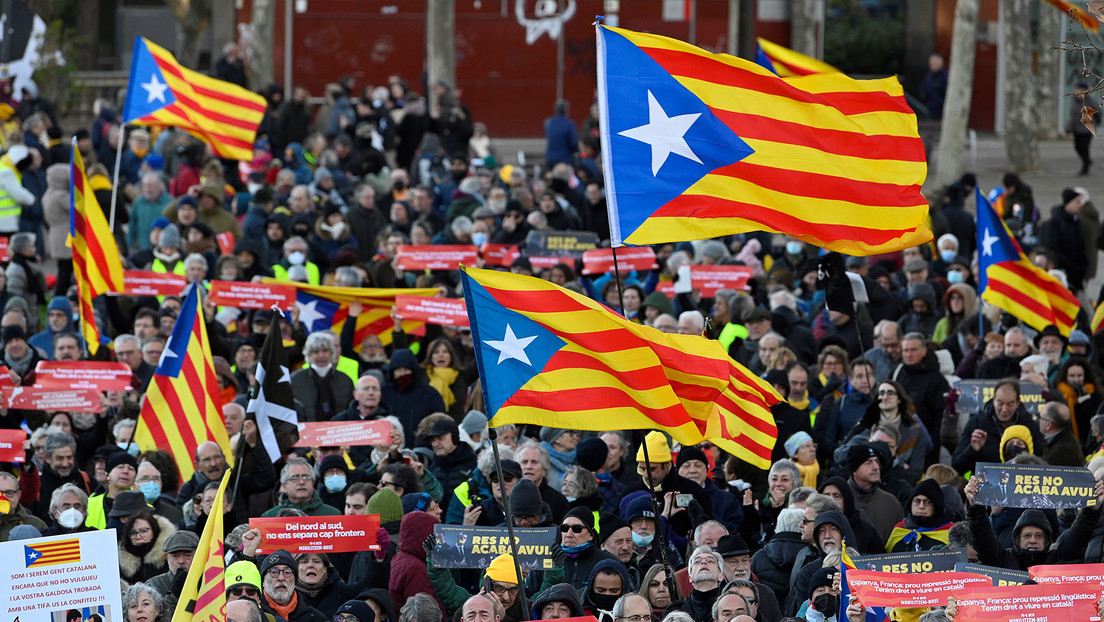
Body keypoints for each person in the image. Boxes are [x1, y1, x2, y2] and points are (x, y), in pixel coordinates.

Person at [953, 378, 1044, 474]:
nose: (1004, 409)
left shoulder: (1030, 426)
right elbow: (958, 465)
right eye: (1000, 403)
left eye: (1010, 404)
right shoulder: (976, 424)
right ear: (993, 400)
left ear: (1018, 402)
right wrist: (973, 450)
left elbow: (1040, 463)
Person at [259, 549, 328, 622]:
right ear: (263, 581)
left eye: (287, 572)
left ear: (295, 580)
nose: (281, 578)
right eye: (274, 572)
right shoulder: (252, 614)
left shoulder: (315, 618)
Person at [886, 479, 953, 552]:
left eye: (928, 502)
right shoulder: (900, 529)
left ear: (936, 506)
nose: (921, 506)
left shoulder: (950, 532)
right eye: (917, 501)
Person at [262, 458, 341, 517]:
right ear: (284, 485)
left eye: (306, 477)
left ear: (313, 482)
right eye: (295, 478)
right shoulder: (270, 517)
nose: (301, 482)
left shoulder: (332, 514)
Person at [1069, 82, 1099, 175]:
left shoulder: (1090, 101)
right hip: (1076, 129)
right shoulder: (1074, 101)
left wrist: (1095, 121)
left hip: (1087, 129)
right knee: (1077, 147)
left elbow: (1098, 112)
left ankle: (1085, 168)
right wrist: (1069, 126)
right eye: (1077, 90)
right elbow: (1073, 116)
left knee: (1084, 147)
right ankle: (1087, 160)